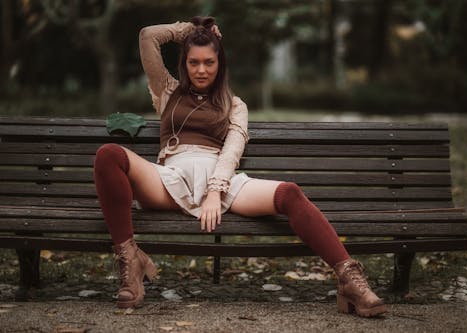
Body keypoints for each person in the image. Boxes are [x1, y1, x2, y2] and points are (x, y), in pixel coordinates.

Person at [93, 16, 387, 317]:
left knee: (289, 193)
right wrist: (191, 31)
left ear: (220, 64)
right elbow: (147, 36)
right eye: (193, 62)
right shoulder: (167, 91)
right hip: (169, 178)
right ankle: (130, 260)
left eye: (209, 62)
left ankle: (350, 280)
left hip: (220, 175)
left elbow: (233, 150)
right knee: (108, 155)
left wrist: (214, 191)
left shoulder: (235, 105)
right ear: (185, 63)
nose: (201, 70)